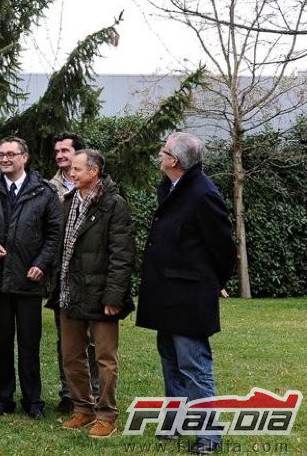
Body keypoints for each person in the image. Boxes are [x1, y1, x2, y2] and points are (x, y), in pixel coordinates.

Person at [136, 132, 236, 455]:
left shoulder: (203, 193)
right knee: (170, 360)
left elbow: (223, 247)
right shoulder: (171, 187)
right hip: (166, 294)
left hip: (189, 297)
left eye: (163, 150)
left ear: (175, 161)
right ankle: (176, 423)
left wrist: (214, 281)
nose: (159, 154)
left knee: (193, 364)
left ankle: (209, 434)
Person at [47, 149, 135, 439]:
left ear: (94, 171)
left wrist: (113, 297)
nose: (71, 174)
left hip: (100, 296)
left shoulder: (114, 204)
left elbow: (122, 255)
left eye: (77, 169)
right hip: (69, 293)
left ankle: (106, 415)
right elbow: (62, 247)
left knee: (105, 360)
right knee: (71, 356)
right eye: (71, 170)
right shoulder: (69, 200)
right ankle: (82, 410)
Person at [0, 136, 60, 420]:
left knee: (28, 343)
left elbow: (54, 235)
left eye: (11, 154)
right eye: (1, 154)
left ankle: (33, 400)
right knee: (0, 343)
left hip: (28, 279)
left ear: (25, 157)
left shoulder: (43, 192)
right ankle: (3, 399)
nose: (5, 159)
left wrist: (41, 263)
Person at [48, 132, 99, 414]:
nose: (60, 156)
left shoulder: (98, 187)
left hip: (91, 276)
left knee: (92, 339)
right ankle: (68, 392)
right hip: (62, 277)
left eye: (65, 151)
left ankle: (94, 390)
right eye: (57, 151)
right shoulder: (49, 188)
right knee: (66, 338)